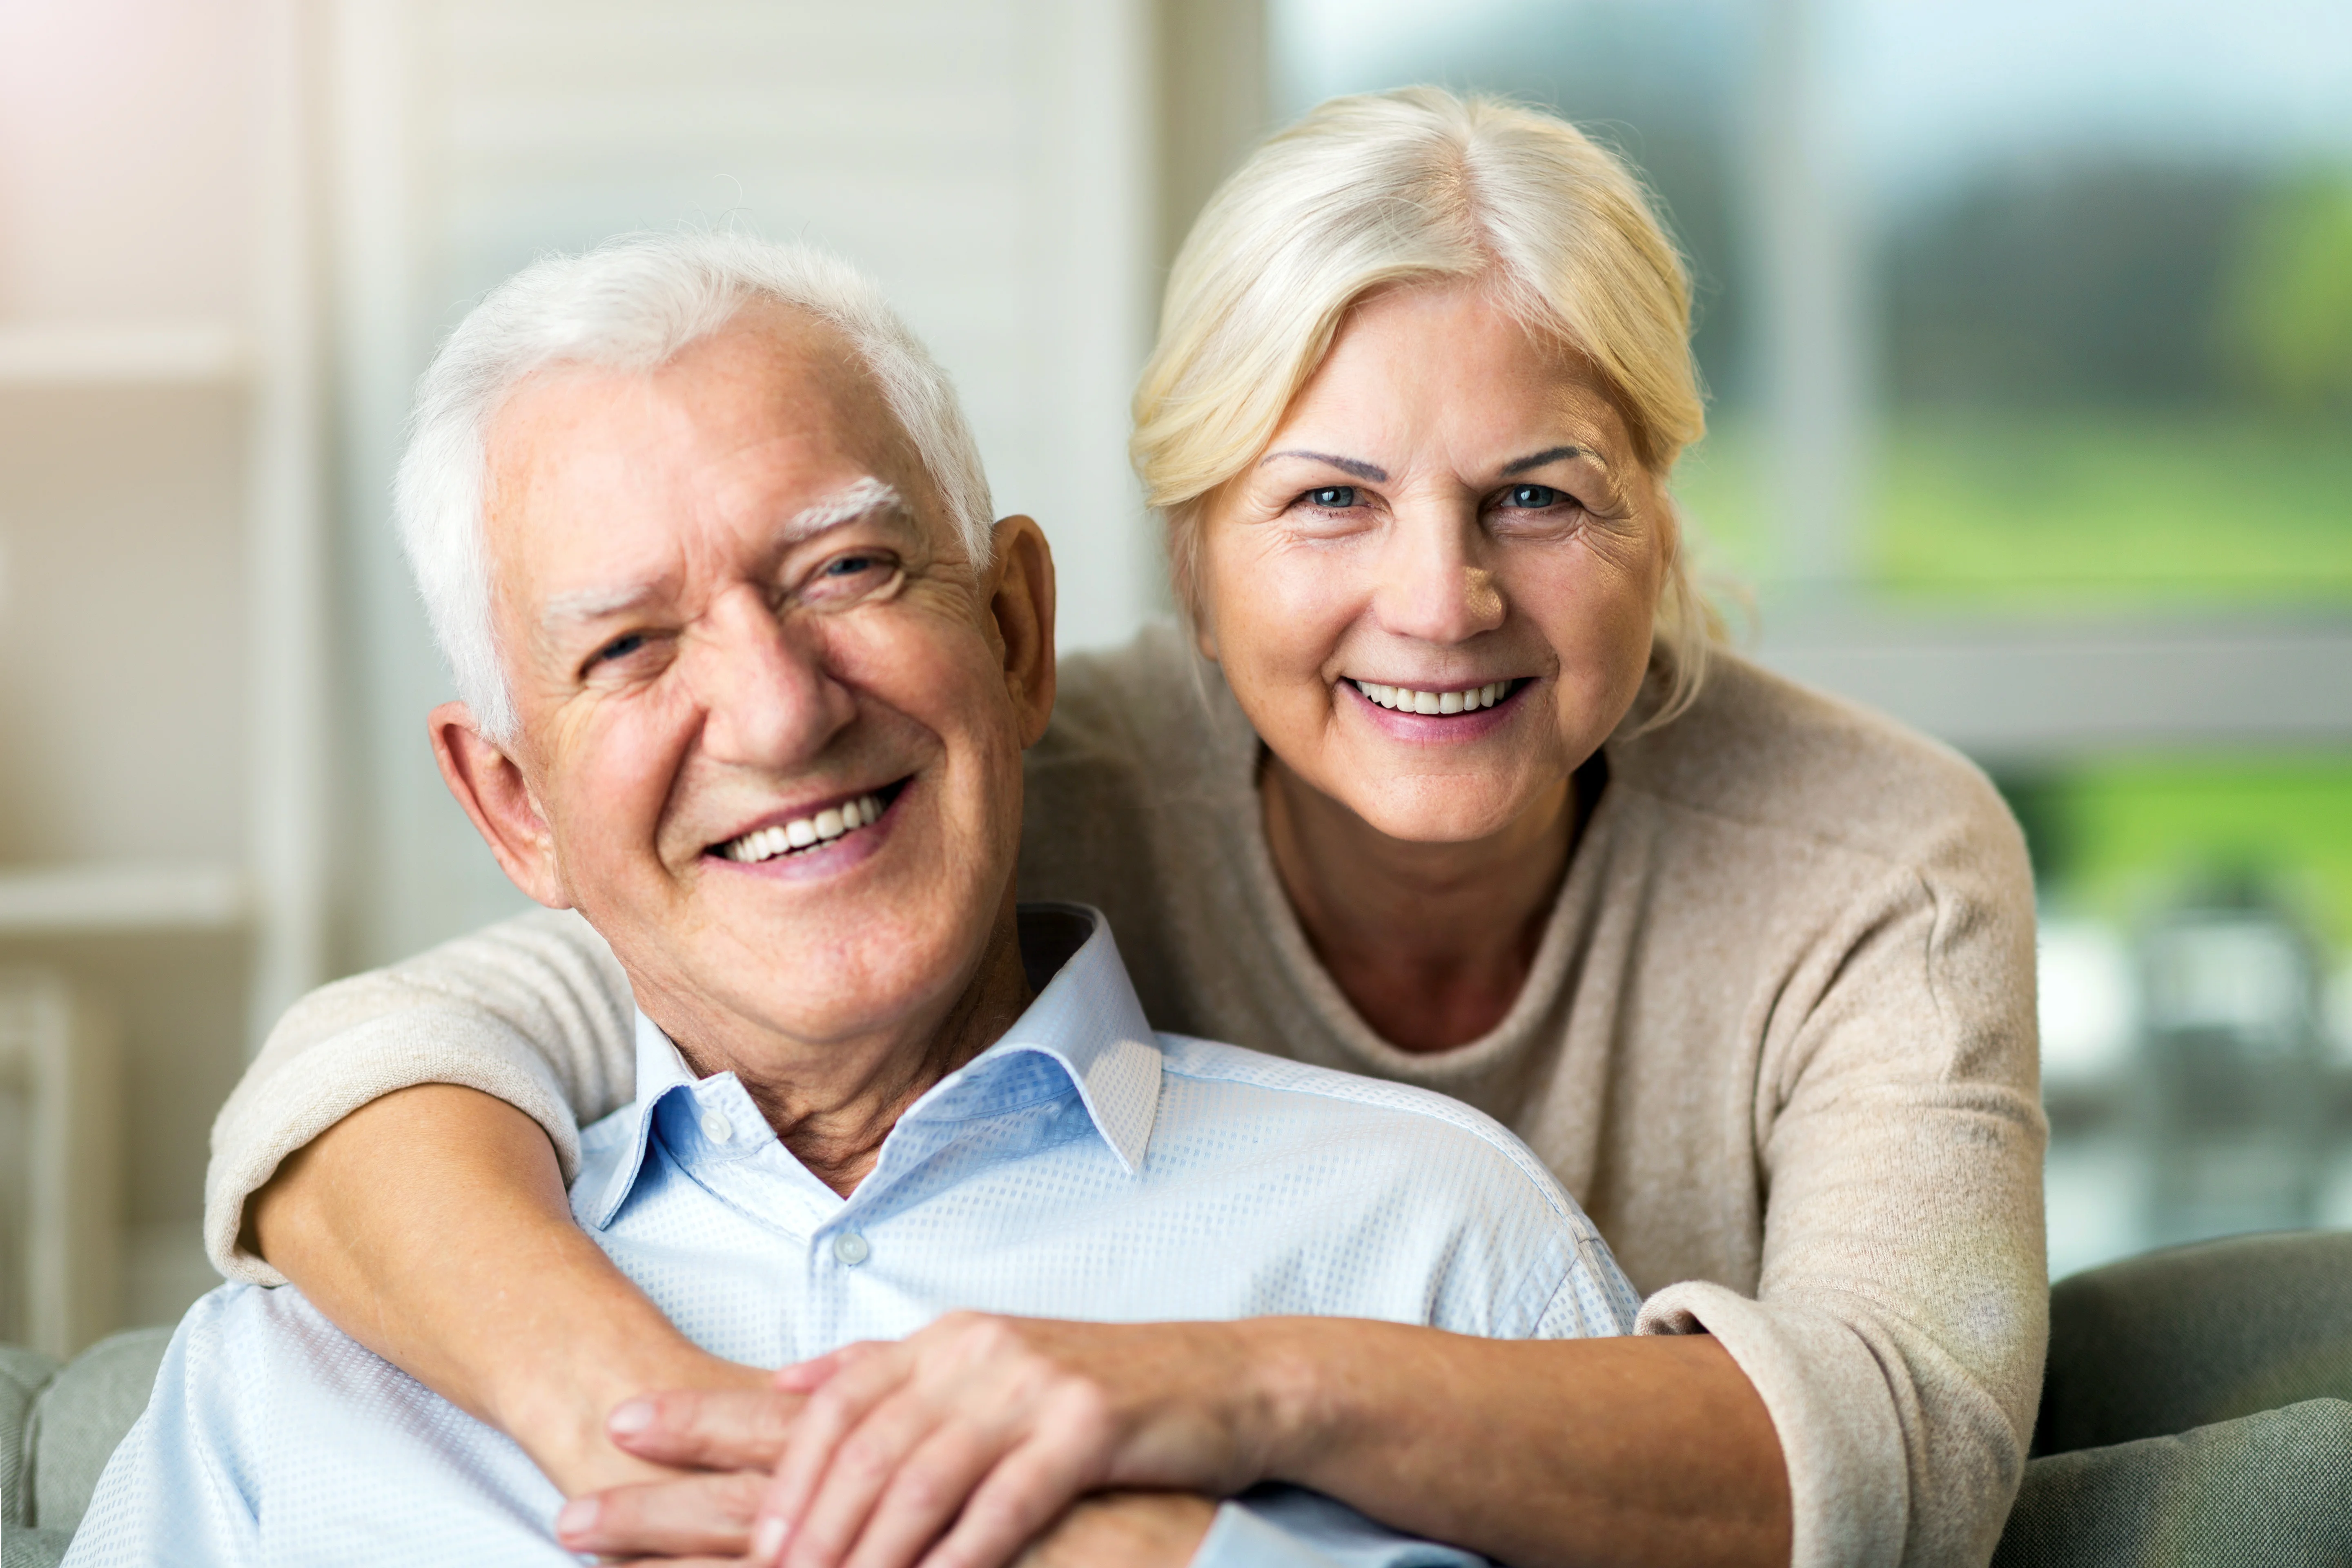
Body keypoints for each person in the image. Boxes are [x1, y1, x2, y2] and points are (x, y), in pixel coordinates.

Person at [208, 89, 2046, 1568]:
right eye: (1327, 498)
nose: (1441, 599)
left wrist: (1210, 1400)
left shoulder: (1871, 865)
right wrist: (674, 1439)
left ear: (1658, 502)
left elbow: (1899, 1452)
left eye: (1541, 496)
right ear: (1189, 552)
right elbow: (416, 1052)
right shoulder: (978, 776)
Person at [68, 232, 1642, 1568]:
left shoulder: (1435, 1250)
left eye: (847, 572)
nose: (776, 713)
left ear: (1018, 634)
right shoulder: (304, 1376)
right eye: (628, 648)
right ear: (512, 805)